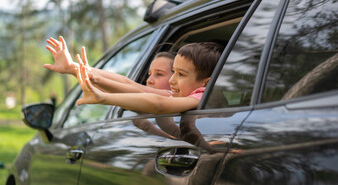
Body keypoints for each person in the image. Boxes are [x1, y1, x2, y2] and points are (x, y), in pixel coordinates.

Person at [75, 42, 223, 114]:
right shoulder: (179, 95)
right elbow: (133, 87)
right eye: (173, 72)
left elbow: (158, 104)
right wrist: (87, 74)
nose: (172, 80)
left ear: (207, 83)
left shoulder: (201, 96)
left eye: (181, 74)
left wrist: (103, 97)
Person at [44, 36, 173, 95]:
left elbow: (129, 85)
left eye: (159, 74)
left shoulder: (171, 97)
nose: (149, 80)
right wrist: (74, 69)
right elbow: (116, 90)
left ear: (175, 79)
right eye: (149, 74)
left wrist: (75, 68)